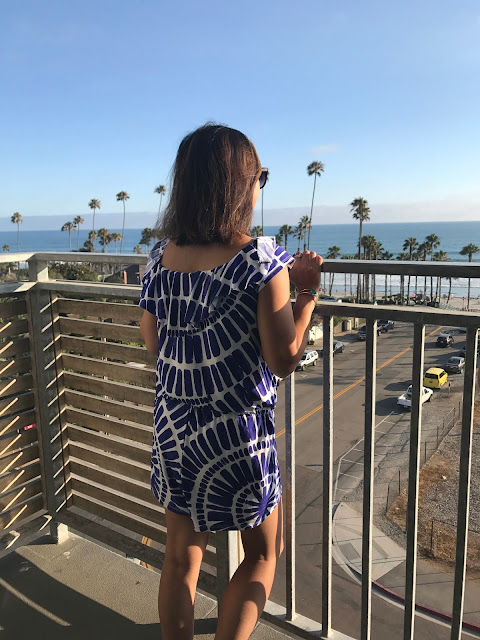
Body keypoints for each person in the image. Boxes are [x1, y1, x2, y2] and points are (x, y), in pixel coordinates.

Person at [139, 123, 322, 640]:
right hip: (237, 436)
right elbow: (284, 358)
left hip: (176, 429)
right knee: (263, 551)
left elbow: (153, 343)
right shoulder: (260, 260)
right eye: (259, 176)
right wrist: (306, 294)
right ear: (241, 185)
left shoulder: (160, 257)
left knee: (179, 559)